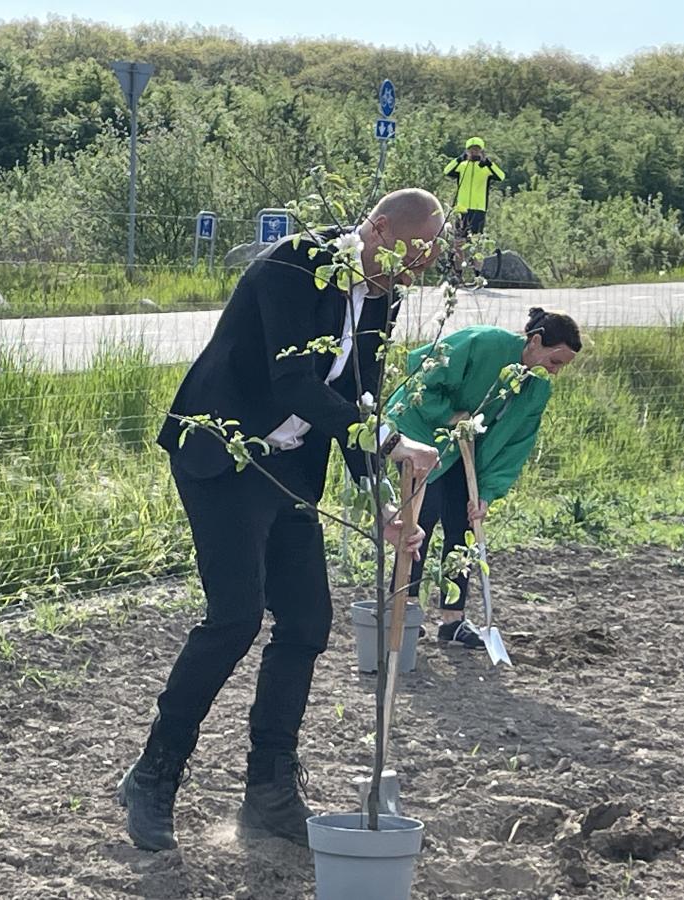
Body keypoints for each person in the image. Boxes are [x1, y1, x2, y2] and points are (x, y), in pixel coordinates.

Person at [118, 189, 446, 852]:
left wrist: (382, 501)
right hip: (224, 457)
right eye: (417, 250)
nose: (422, 266)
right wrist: (391, 442)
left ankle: (269, 790)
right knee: (236, 617)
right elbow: (296, 384)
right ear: (380, 229)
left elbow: (357, 398)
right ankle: (154, 775)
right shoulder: (295, 264)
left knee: (305, 623)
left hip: (292, 467)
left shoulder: (385, 295)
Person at [385, 308, 582, 648]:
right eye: (555, 360)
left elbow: (516, 445)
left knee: (464, 527)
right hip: (421, 435)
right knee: (419, 522)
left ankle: (453, 621)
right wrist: (448, 414)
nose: (555, 371)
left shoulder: (535, 389)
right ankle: (404, 610)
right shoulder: (482, 342)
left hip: (467, 452)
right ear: (535, 342)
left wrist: (488, 492)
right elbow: (422, 371)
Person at [443, 137, 506, 238]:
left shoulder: (486, 168)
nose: (474, 152)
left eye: (477, 149)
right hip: (462, 208)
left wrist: (489, 163)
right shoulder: (462, 166)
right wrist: (459, 159)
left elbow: (501, 176)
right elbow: (446, 171)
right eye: (471, 149)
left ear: (481, 151)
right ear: (467, 151)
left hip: (479, 208)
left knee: (476, 238)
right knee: (459, 237)